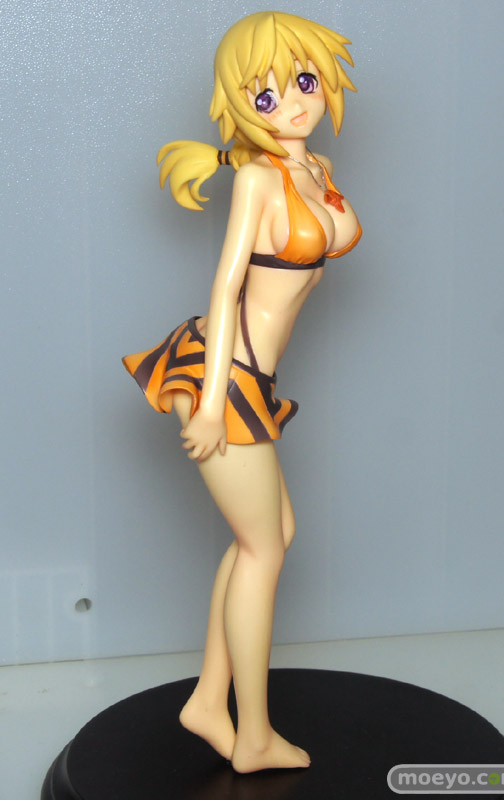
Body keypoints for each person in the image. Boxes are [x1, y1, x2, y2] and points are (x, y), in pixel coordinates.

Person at [123, 10, 362, 774]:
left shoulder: (314, 167)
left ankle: (206, 701)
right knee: (265, 547)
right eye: (265, 96)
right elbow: (224, 291)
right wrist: (210, 407)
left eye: (302, 82)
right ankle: (252, 734)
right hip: (223, 374)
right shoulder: (258, 180)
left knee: (268, 536)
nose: (292, 104)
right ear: (239, 103)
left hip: (254, 377)